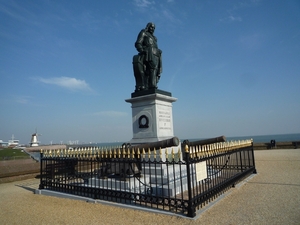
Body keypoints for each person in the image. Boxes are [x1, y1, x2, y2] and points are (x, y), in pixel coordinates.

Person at [133, 22, 162, 91]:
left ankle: (150, 85)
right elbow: (138, 43)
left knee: (156, 70)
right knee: (153, 68)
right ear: (148, 27)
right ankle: (152, 85)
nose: (152, 29)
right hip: (148, 53)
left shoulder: (154, 38)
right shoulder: (144, 33)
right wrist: (142, 50)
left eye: (154, 28)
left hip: (156, 54)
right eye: (151, 27)